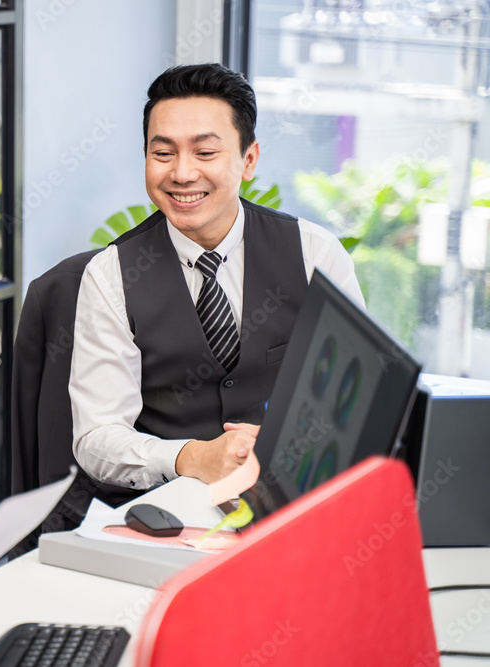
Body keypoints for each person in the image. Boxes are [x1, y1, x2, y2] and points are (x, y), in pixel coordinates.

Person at [69, 63, 365, 491]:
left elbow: (351, 398)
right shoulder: (112, 274)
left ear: (248, 160)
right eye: (163, 153)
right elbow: (96, 437)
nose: (183, 173)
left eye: (205, 153)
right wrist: (189, 456)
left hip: (289, 495)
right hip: (163, 509)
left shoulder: (314, 255)